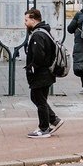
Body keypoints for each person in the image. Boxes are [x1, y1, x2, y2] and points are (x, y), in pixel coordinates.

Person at [24, 8, 62, 138]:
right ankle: (54, 120)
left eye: (26, 20)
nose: (25, 22)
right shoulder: (44, 31)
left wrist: (32, 67)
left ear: (33, 19)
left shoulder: (38, 35)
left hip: (41, 73)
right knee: (38, 98)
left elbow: (39, 56)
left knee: (39, 99)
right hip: (47, 73)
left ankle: (44, 128)